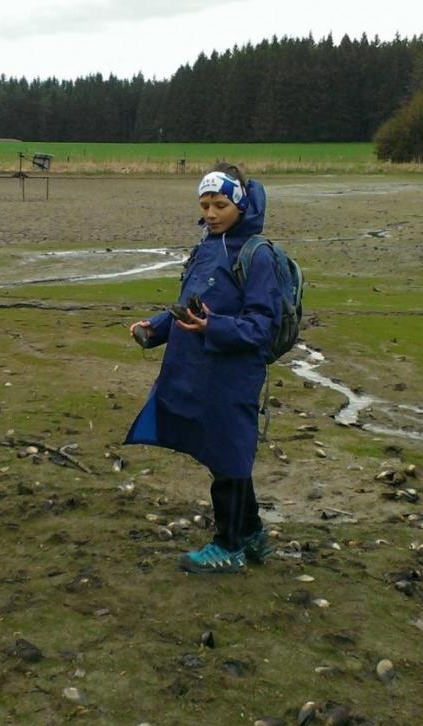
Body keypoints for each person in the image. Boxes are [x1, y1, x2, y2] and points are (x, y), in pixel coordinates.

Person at [125, 164, 282, 573]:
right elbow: (190, 305)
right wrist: (155, 327)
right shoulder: (207, 247)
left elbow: (262, 327)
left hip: (233, 377)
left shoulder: (257, 254)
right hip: (196, 371)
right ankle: (252, 534)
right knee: (223, 456)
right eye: (205, 205)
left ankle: (227, 544)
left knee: (229, 457)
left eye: (220, 205)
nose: (211, 213)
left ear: (240, 203)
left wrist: (214, 327)